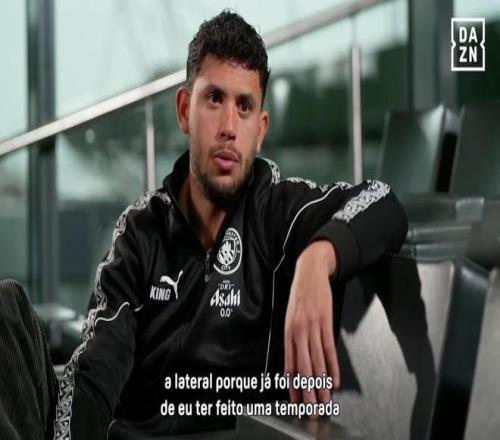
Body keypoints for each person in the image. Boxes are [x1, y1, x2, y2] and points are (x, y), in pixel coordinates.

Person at [0, 10, 407, 440]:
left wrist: (316, 260)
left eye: (244, 107)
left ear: (260, 130)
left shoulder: (281, 213)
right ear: (184, 110)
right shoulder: (140, 234)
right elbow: (94, 378)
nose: (229, 127)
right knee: (7, 305)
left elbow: (384, 203)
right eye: (214, 99)